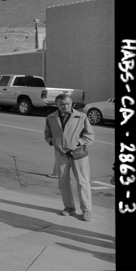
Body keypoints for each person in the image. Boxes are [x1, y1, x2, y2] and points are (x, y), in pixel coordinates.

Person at [44, 94, 94, 222]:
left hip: (78, 154)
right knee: (63, 181)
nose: (65, 106)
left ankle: (87, 210)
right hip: (61, 154)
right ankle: (69, 207)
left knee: (83, 182)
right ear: (57, 105)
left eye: (67, 104)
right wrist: (52, 142)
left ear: (71, 104)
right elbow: (47, 134)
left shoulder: (81, 116)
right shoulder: (51, 118)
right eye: (62, 104)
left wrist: (78, 142)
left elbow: (89, 135)